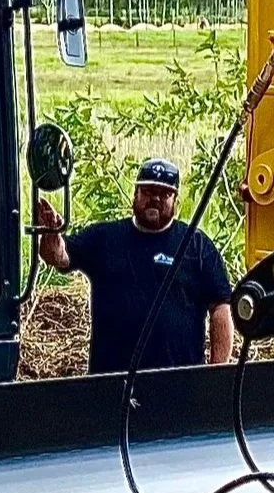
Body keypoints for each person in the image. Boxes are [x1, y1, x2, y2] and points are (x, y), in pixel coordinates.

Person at [32, 158, 233, 373]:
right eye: (147, 191)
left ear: (176, 200)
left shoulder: (197, 245)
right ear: (135, 194)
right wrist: (50, 233)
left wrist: (216, 375)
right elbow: (58, 256)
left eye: (164, 194)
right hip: (111, 384)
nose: (154, 198)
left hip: (180, 386)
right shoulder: (104, 238)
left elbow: (220, 307)